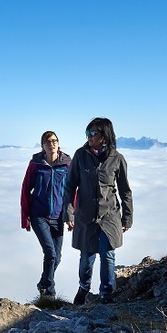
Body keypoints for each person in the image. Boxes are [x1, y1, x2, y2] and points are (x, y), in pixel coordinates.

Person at [63, 117, 133, 305]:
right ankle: (83, 288)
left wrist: (127, 217)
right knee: (87, 255)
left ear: (104, 136)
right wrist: (69, 213)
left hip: (109, 215)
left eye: (93, 133)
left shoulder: (117, 159)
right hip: (85, 214)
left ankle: (106, 294)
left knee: (108, 253)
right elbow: (70, 186)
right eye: (88, 133)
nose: (89, 137)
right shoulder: (80, 155)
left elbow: (125, 190)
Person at [20, 130, 72, 297]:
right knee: (50, 253)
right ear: (43, 145)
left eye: (54, 141)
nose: (52, 144)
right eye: (48, 142)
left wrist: (71, 216)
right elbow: (26, 189)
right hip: (39, 216)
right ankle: (49, 292)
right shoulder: (36, 164)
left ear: (58, 143)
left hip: (58, 217)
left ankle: (43, 283)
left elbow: (72, 191)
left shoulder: (66, 164)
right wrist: (25, 218)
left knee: (57, 258)